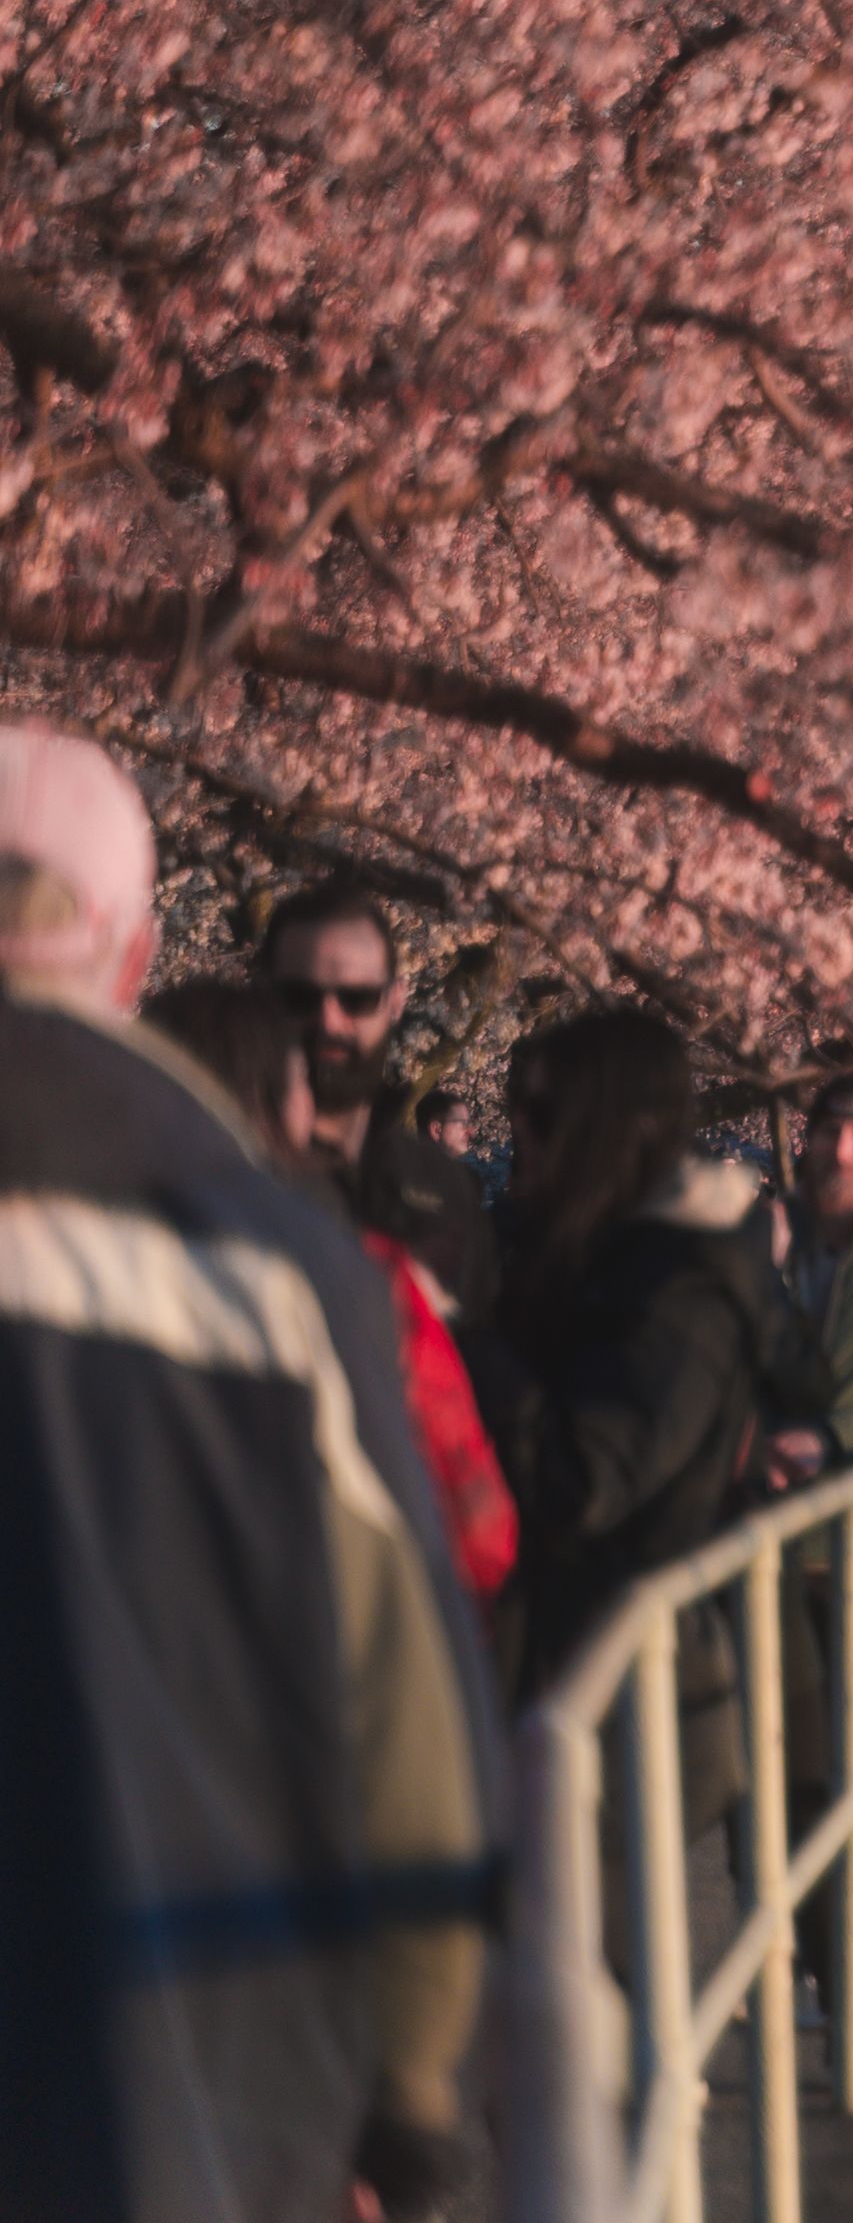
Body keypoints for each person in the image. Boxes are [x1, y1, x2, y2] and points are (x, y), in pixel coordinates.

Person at [0, 722, 491, 2222]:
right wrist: (408, 2103)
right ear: (138, 959)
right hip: (196, 2074)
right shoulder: (277, 1278)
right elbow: (411, 1728)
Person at [497, 1007, 778, 1859]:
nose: (521, 1143)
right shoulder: (590, 1254)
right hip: (567, 1661)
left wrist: (458, 1340)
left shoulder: (683, 1289)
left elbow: (587, 1478)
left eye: (543, 1121)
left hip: (626, 1683)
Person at [144, 978, 517, 1613]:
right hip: (322, 1614)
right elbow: (477, 1532)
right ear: (280, 1100)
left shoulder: (69, 1252)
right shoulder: (353, 1272)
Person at [264, 881, 501, 1333]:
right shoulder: (218, 1165)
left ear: (395, 1001)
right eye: (301, 997)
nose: (329, 1019)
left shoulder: (441, 1190)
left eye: (356, 998)